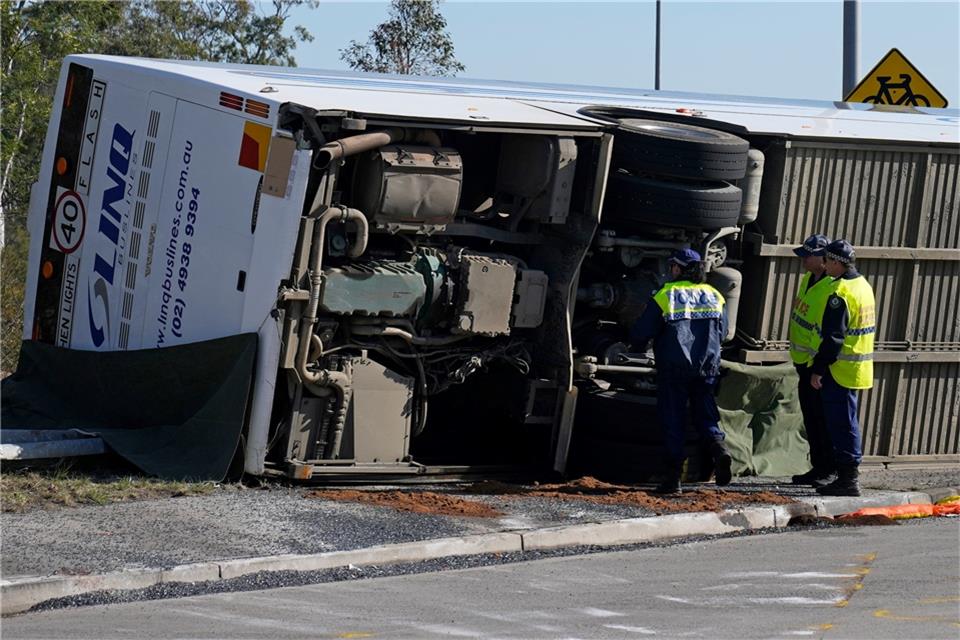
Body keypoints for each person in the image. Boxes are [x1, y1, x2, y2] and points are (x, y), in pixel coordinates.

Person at [630, 248, 731, 494]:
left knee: (673, 420)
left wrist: (636, 347)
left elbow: (643, 331)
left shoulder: (668, 294)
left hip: (674, 369)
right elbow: (724, 332)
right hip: (707, 368)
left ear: (678, 268)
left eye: (672, 265)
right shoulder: (714, 295)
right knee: (706, 416)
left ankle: (672, 479)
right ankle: (719, 449)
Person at [809, 239, 876, 497]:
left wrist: (818, 369)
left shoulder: (841, 294)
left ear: (836, 262)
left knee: (843, 424)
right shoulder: (863, 286)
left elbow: (834, 337)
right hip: (857, 366)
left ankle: (848, 479)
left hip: (840, 369)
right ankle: (846, 476)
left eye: (827, 261)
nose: (824, 266)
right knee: (847, 422)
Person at [787, 234, 837, 487]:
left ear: (825, 259)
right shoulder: (809, 278)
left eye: (809, 255)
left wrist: (820, 365)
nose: (804, 260)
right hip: (803, 362)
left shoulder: (833, 287)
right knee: (812, 419)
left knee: (824, 419)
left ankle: (830, 469)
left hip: (820, 365)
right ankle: (818, 467)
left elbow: (832, 332)